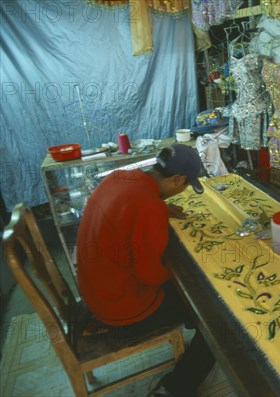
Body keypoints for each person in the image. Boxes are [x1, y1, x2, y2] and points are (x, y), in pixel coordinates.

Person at [76, 143, 215, 396]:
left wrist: (160, 208)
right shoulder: (148, 206)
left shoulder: (120, 177)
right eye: (184, 186)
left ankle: (190, 320)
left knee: (192, 298)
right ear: (177, 179)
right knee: (215, 323)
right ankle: (175, 389)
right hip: (121, 310)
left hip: (96, 292)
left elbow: (127, 207)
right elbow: (149, 276)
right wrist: (189, 271)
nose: (181, 191)